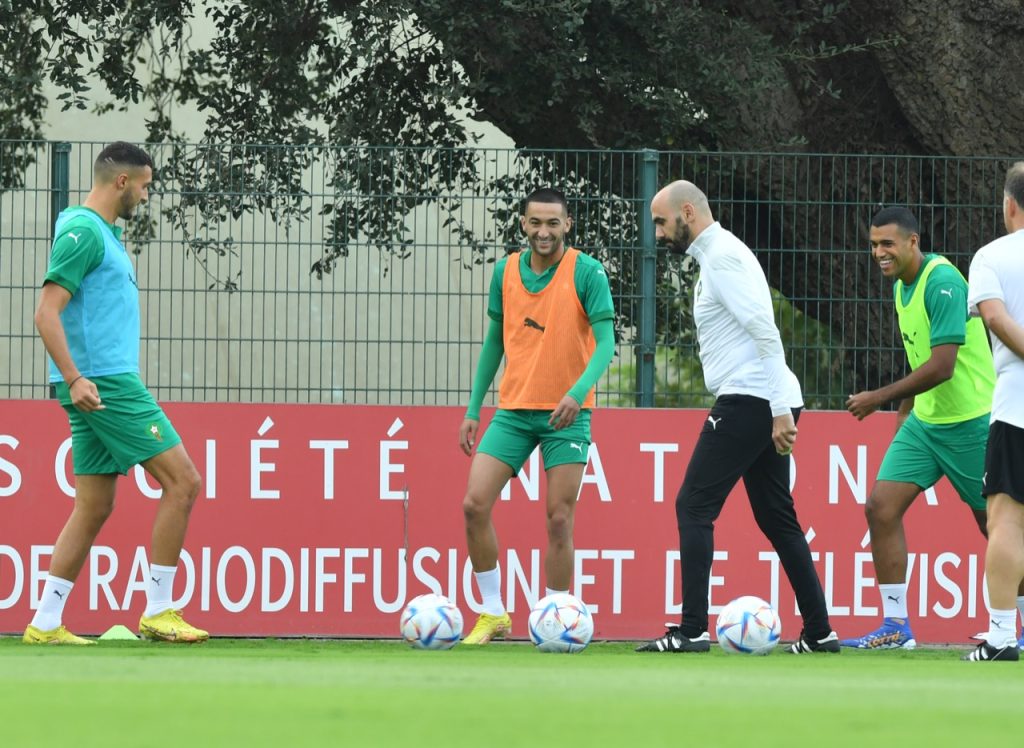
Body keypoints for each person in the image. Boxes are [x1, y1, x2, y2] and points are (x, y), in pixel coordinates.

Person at [637, 180, 839, 654]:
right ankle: (820, 632)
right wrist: (779, 405)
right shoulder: (718, 255)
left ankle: (691, 631)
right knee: (776, 517)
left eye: (662, 222)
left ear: (688, 212)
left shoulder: (723, 257)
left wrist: (780, 411)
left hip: (752, 399)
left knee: (693, 505)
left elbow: (764, 330)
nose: (658, 234)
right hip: (761, 398)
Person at [24, 142, 206, 645]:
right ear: (122, 181)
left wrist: (74, 379)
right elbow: (45, 313)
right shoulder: (84, 232)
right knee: (184, 481)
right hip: (105, 383)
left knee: (94, 505)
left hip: (96, 381)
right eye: (144, 186)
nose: (146, 196)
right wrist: (75, 378)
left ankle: (44, 623)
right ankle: (159, 610)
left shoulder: (104, 234)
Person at [842, 206, 1006, 650]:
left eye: (888, 244)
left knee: (997, 527)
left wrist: (879, 397)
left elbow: (943, 365)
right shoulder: (902, 284)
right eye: (874, 244)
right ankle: (896, 627)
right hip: (926, 424)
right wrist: (905, 411)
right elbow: (921, 358)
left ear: (913, 242)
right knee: (880, 508)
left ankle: (1018, 626)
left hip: (971, 423)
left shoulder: (943, 282)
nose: (879, 252)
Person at [458, 188, 615, 644]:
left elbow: (606, 343)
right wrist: (473, 409)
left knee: (559, 518)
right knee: (474, 504)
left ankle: (555, 620)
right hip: (513, 412)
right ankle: (493, 613)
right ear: (523, 224)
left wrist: (577, 394)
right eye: (535, 222)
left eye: (552, 223)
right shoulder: (505, 271)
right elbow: (495, 341)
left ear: (567, 225)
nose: (543, 232)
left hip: (567, 415)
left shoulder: (587, 271)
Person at [964, 162, 1024, 661]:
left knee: (1006, 521)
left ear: (1009, 205)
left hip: (1016, 406)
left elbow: (996, 318)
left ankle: (1002, 637)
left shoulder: (991, 256)